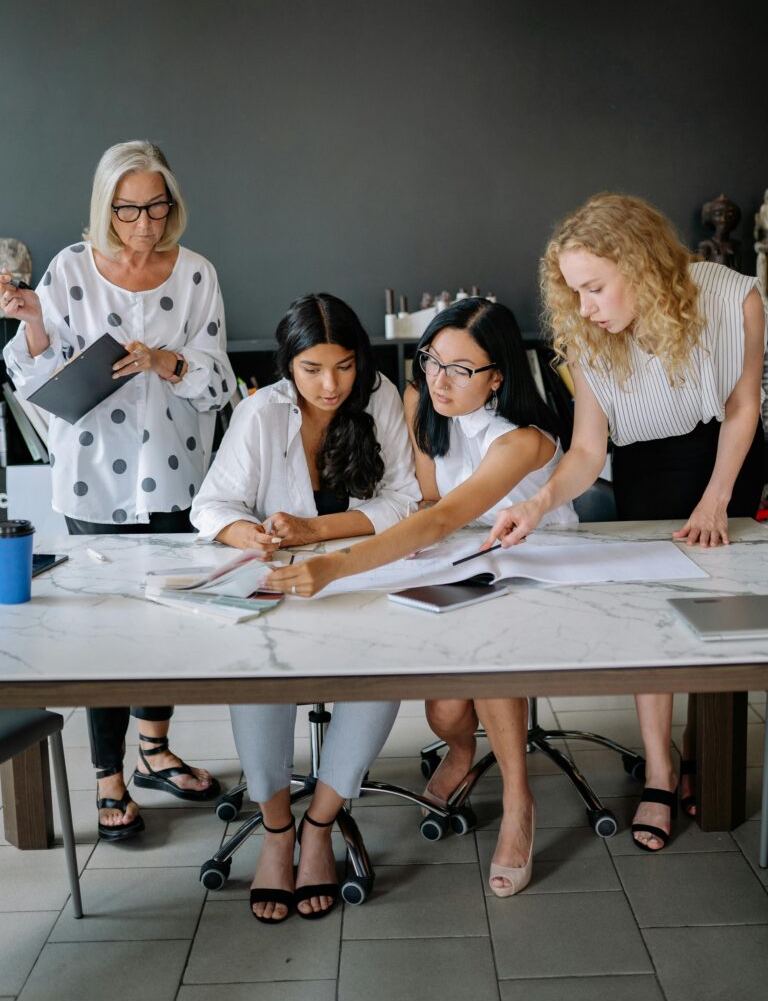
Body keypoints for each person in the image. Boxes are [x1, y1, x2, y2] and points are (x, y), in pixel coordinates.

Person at [267, 297, 577, 897]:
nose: (439, 379)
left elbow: (446, 517)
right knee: (444, 713)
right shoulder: (423, 402)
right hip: (466, 564)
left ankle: (519, 801)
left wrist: (337, 565)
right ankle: (460, 752)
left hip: (540, 570)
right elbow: (429, 505)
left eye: (461, 370)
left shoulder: (523, 441)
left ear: (498, 376)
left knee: (490, 668)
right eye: (433, 360)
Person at [484, 192, 766, 851]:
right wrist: (539, 501)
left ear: (640, 266)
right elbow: (587, 452)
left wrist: (718, 497)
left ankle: (703, 754)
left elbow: (744, 404)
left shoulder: (733, 298)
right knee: (655, 616)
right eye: (574, 291)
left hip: (731, 453)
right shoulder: (585, 335)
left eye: (594, 288)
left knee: (718, 613)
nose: (583, 308)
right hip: (647, 465)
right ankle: (661, 773)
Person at [1, 140, 236, 841]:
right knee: (103, 632)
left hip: (176, 470)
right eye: (128, 209)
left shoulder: (195, 275)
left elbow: (220, 382)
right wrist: (32, 322)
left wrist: (167, 361)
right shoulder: (71, 269)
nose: (144, 224)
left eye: (156, 206)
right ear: (106, 206)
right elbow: (38, 381)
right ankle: (108, 778)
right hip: (92, 478)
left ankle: (154, 750)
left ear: (172, 202)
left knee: (167, 621)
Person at [191, 292, 420, 922]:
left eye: (344, 366)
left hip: (359, 575)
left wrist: (314, 530)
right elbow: (211, 506)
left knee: (383, 668)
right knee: (257, 673)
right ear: (287, 364)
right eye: (312, 369)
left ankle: (320, 822)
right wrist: (251, 533)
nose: (329, 384)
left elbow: (403, 501)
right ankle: (276, 829)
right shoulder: (261, 412)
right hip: (280, 581)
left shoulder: (379, 401)